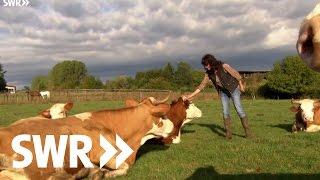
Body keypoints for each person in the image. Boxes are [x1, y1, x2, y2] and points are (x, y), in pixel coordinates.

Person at [184, 54, 253, 139]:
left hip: (234, 89)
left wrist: (241, 86)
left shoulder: (224, 66)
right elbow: (201, 86)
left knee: (239, 110)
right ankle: (228, 134)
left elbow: (236, 75)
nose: (205, 67)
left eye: (206, 65)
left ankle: (248, 132)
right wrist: (190, 96)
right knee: (225, 112)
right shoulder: (208, 74)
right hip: (223, 92)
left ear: (211, 62)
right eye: (204, 65)